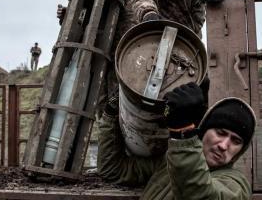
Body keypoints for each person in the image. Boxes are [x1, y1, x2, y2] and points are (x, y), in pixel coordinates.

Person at [98, 81, 255, 199]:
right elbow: (113, 169)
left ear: (241, 150)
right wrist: (111, 113)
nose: (223, 145)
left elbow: (198, 194)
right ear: (204, 131)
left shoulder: (236, 185)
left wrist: (183, 132)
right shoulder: (169, 161)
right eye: (220, 132)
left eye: (236, 141)